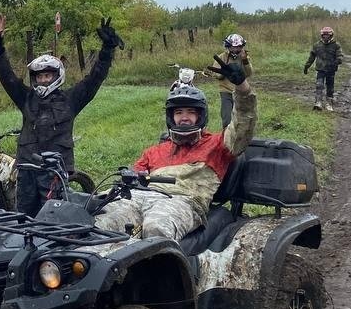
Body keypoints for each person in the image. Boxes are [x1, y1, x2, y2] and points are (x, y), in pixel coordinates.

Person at [95, 57, 256, 243]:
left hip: (183, 201)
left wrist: (242, 87)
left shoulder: (218, 145)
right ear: (171, 117)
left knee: (156, 228)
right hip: (140, 197)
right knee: (101, 222)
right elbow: (133, 176)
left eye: (190, 112)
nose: (184, 118)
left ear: (200, 116)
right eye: (179, 113)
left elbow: (243, 125)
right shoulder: (154, 151)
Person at [0, 14, 123, 216]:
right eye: (39, 76)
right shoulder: (26, 97)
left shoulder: (71, 100)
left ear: (57, 76)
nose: (43, 80)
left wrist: (107, 50)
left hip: (54, 172)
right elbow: (6, 75)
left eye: (47, 75)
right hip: (27, 169)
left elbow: (94, 79)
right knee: (23, 216)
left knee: (52, 218)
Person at [216, 33, 253, 128]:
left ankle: (241, 136)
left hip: (240, 91)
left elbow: (248, 73)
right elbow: (216, 74)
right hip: (226, 91)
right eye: (233, 47)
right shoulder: (222, 57)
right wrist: (223, 72)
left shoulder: (244, 57)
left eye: (239, 47)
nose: (236, 50)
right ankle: (226, 137)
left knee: (242, 116)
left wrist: (245, 61)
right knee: (227, 117)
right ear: (228, 46)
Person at [303, 26, 344, 111]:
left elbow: (340, 56)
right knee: (319, 85)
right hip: (320, 69)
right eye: (324, 35)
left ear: (331, 35)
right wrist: (307, 66)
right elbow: (312, 57)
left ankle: (329, 103)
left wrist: (338, 61)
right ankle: (318, 103)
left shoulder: (336, 45)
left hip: (331, 70)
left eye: (327, 35)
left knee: (330, 87)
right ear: (322, 35)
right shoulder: (317, 45)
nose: (326, 37)